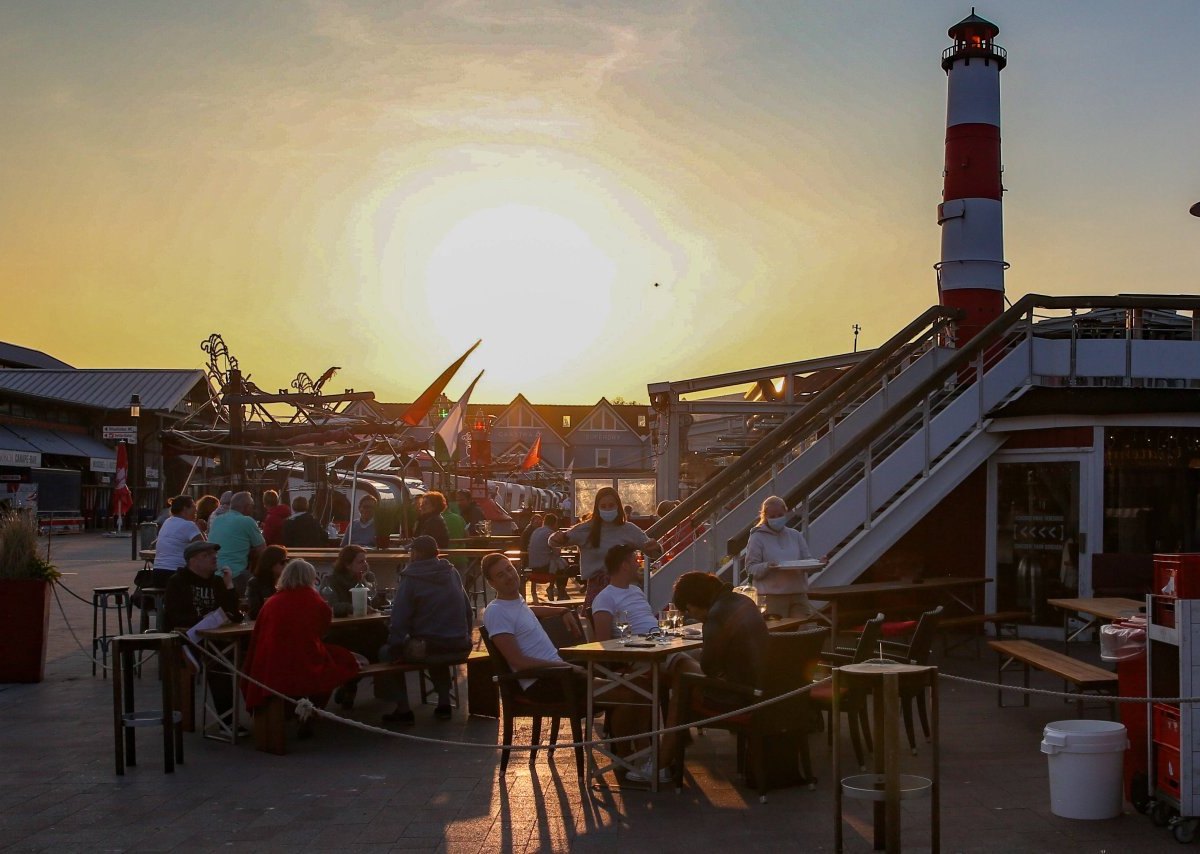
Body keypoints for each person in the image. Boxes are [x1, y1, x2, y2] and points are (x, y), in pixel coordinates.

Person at [639, 570, 769, 783]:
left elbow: (710, 668)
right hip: (761, 685)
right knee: (683, 666)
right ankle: (671, 748)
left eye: (688, 609)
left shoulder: (716, 616)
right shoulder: (743, 600)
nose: (692, 615)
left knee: (681, 678)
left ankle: (662, 762)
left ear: (694, 601)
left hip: (737, 696)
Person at [242, 559, 361, 737]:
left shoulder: (272, 602)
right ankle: (310, 713)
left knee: (326, 658)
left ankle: (291, 713)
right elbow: (321, 631)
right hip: (304, 660)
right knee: (342, 659)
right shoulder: (315, 600)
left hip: (271, 662)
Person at [379, 536, 472, 724]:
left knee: (386, 654)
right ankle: (444, 703)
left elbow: (399, 618)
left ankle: (403, 710)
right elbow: (468, 609)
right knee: (437, 641)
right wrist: (466, 634)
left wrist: (395, 645)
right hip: (460, 645)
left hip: (431, 647)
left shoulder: (411, 577)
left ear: (416, 553)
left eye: (411, 551)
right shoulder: (451, 572)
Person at [163, 541, 240, 722]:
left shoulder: (217, 581)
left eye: (214, 554)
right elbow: (174, 616)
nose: (214, 558)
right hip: (188, 635)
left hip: (216, 637)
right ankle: (227, 722)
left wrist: (230, 586)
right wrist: (204, 623)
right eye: (206, 555)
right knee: (219, 663)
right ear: (192, 561)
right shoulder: (178, 582)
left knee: (245, 656)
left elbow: (233, 613)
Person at [549, 487, 662, 610]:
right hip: (598, 589)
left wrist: (656, 548)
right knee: (600, 624)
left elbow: (653, 552)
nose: (607, 509)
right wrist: (556, 537)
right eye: (603, 506)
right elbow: (554, 542)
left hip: (624, 588)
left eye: (611, 505)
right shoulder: (586, 529)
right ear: (597, 508)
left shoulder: (629, 529)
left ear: (618, 506)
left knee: (625, 625)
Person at [745, 495, 817, 619]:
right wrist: (767, 566)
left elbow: (807, 561)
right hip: (772, 598)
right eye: (772, 516)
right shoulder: (757, 537)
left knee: (804, 632)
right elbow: (751, 569)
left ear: (785, 512)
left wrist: (817, 564)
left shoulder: (795, 535)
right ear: (765, 517)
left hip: (798, 594)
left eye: (779, 515)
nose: (776, 519)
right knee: (779, 635)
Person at [591, 544, 660, 641]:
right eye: (635, 561)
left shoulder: (637, 590)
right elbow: (603, 642)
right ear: (625, 566)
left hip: (658, 642)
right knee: (684, 655)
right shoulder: (605, 598)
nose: (638, 565)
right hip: (638, 650)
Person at [207, 491, 265, 597]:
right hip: (235, 574)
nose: (253, 509)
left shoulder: (217, 520)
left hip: (214, 573)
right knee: (260, 589)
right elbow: (262, 550)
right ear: (246, 507)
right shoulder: (247, 521)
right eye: (252, 506)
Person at [148, 495, 203, 587]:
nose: (196, 510)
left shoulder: (167, 522)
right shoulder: (189, 525)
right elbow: (204, 548)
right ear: (185, 509)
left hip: (158, 573)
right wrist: (201, 530)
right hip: (176, 574)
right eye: (194, 506)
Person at [527, 512, 566, 601]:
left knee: (558, 563)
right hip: (544, 567)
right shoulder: (550, 533)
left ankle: (553, 588)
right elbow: (557, 553)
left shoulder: (536, 531)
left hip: (533, 565)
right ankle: (560, 591)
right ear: (554, 523)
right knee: (563, 566)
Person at [246, 545, 288, 619]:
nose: (286, 565)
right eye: (282, 562)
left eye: (287, 561)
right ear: (271, 563)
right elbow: (254, 613)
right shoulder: (255, 583)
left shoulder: (286, 583)